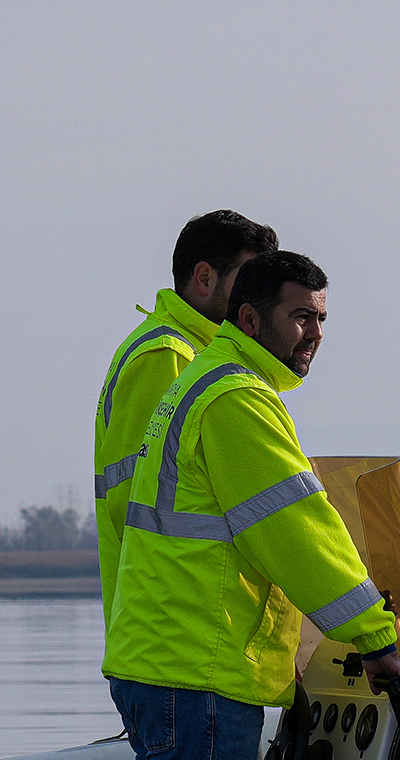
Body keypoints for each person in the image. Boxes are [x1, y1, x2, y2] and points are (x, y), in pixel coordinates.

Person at [103, 251, 400, 760]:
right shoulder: (236, 398)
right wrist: (374, 635)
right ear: (250, 320)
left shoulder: (202, 382)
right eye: (301, 317)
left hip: (164, 664)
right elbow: (297, 532)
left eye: (322, 319)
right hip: (197, 675)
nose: (315, 334)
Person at [93, 210, 279, 604]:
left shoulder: (195, 353)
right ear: (204, 279)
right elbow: (139, 505)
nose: (260, 298)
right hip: (177, 617)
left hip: (185, 618)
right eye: (248, 281)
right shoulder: (170, 355)